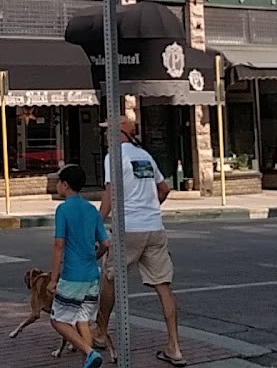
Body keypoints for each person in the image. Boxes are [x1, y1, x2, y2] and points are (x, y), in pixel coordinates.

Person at [98, 114, 185, 366]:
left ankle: (100, 332)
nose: (106, 135)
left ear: (120, 132)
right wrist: (150, 208)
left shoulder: (113, 157)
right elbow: (164, 189)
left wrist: (96, 224)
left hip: (128, 227)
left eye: (108, 130)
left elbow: (110, 194)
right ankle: (174, 347)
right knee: (163, 285)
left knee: (111, 278)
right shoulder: (145, 156)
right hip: (154, 227)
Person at [48, 163, 109, 368]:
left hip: (73, 275)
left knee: (58, 320)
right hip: (92, 274)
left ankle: (89, 352)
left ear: (65, 185)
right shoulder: (91, 209)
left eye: (59, 182)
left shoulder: (63, 209)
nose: (57, 186)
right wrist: (94, 256)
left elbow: (59, 245)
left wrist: (53, 279)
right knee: (83, 321)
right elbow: (106, 243)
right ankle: (88, 362)